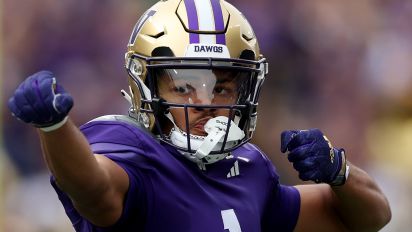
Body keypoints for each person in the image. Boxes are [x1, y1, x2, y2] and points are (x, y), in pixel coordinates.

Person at [7, 0, 391, 231]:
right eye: (184, 86)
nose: (205, 101)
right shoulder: (129, 148)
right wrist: (55, 127)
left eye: (222, 87)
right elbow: (95, 191)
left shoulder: (250, 168)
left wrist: (339, 170)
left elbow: (368, 218)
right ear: (148, 86)